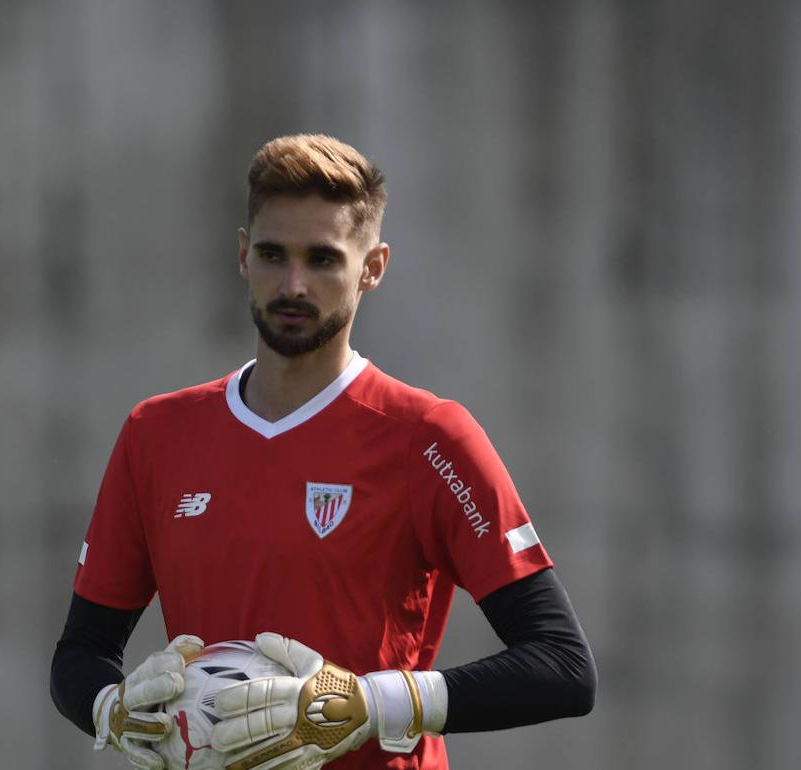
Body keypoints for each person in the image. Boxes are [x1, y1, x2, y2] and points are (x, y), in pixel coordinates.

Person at [51, 134, 596, 769]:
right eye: (273, 254)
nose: (293, 284)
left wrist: (372, 704)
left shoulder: (430, 437)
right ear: (242, 255)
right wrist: (112, 711)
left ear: (373, 267)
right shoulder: (156, 433)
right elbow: (80, 652)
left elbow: (561, 664)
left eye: (323, 260)